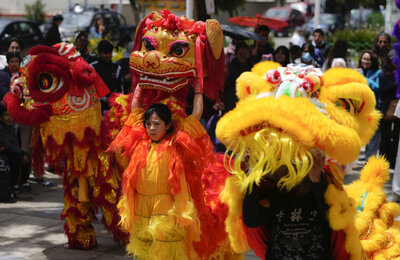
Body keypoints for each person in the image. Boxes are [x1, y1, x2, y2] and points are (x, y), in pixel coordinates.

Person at [118, 82, 204, 259]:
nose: (151, 128)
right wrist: (140, 84)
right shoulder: (141, 142)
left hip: (166, 208)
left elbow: (196, 115)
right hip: (142, 207)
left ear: (167, 125)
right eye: (148, 124)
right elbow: (135, 107)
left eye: (157, 124)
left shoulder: (176, 143)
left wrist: (197, 90)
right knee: (144, 251)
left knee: (165, 253)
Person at [242, 149, 346, 259]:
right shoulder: (275, 194)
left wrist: (316, 180)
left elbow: (334, 221)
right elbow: (252, 220)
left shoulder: (324, 190)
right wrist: (252, 178)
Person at [0, 106, 30, 197]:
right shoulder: (1, 128)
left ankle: (22, 182)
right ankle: (13, 184)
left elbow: (15, 143)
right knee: (14, 161)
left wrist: (21, 152)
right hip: (4, 152)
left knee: (26, 156)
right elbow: (6, 144)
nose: (9, 118)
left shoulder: (11, 128)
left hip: (11, 151)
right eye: (6, 115)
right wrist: (20, 152)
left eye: (11, 115)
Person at [359, 50, 381, 161]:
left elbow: (377, 87)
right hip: (359, 109)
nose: (366, 61)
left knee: (373, 136)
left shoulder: (378, 73)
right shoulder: (358, 71)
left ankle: (369, 161)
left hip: (373, 109)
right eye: (364, 59)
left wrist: (364, 79)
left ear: (373, 61)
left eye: (368, 59)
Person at [90, 40, 123, 112]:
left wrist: (119, 100)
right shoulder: (93, 67)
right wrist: (105, 99)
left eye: (110, 53)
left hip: (113, 106)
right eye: (105, 53)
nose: (108, 55)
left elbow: (120, 87)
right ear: (99, 53)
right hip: (97, 107)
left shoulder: (117, 67)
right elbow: (92, 89)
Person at [378, 58, 399, 169]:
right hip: (386, 107)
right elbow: (382, 91)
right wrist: (396, 84)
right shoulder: (383, 74)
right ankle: (383, 160)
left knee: (396, 136)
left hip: (397, 106)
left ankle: (393, 160)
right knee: (385, 136)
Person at [224, 41, 252, 113]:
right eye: (240, 53)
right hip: (232, 99)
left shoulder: (251, 65)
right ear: (236, 54)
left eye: (245, 53)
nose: (243, 56)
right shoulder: (231, 66)